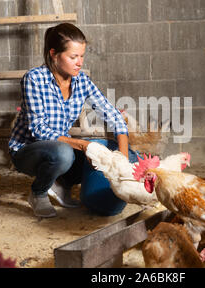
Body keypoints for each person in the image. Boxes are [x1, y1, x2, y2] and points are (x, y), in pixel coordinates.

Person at [9, 23, 136, 218]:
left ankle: (62, 184)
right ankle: (38, 193)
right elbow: (38, 130)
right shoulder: (34, 79)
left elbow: (112, 115)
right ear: (54, 54)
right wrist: (84, 145)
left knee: (105, 147)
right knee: (65, 153)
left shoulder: (81, 81)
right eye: (73, 57)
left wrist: (123, 159)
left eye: (82, 56)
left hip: (61, 148)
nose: (79, 62)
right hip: (28, 151)